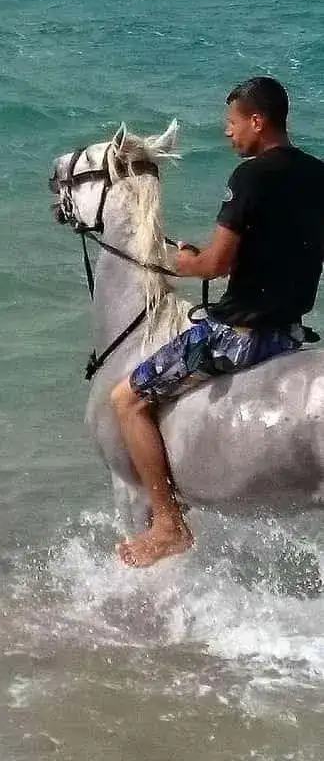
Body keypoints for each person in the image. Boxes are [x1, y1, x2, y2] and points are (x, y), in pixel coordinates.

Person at [110, 76, 324, 567]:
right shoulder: (319, 175)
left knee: (127, 400)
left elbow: (216, 265)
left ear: (257, 120)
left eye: (232, 124)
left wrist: (180, 259)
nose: (227, 134)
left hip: (241, 335)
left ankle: (167, 523)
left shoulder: (248, 177)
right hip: (289, 334)